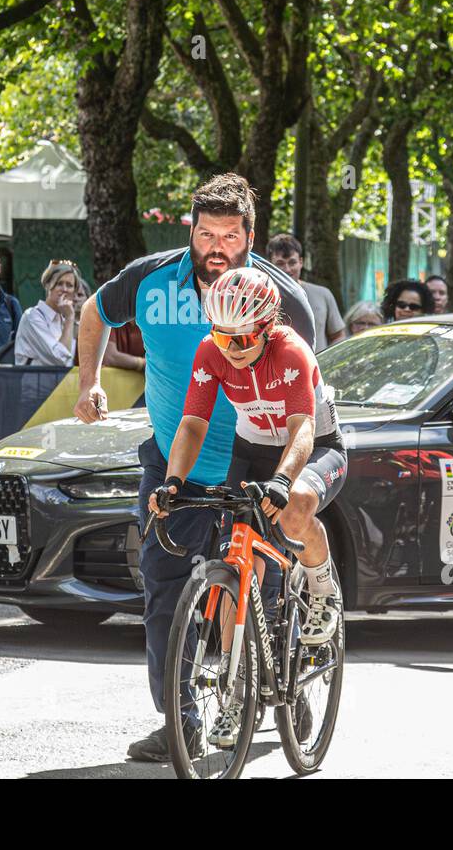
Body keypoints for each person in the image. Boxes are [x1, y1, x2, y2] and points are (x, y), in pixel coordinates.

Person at [72, 172, 313, 763]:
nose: (216, 248)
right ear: (191, 230)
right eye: (206, 234)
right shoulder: (150, 279)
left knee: (265, 586)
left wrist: (289, 470)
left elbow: (306, 393)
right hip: (173, 458)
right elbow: (94, 312)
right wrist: (89, 382)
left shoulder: (284, 299)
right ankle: (178, 721)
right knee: (165, 589)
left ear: (250, 236)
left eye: (229, 236)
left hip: (255, 461)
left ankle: (286, 687)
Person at [148, 267, 346, 748]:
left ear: (268, 325)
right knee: (238, 569)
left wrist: (282, 480)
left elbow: (302, 428)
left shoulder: (291, 351)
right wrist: (173, 482)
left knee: (296, 506)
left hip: (314, 447)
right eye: (223, 336)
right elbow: (192, 423)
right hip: (251, 450)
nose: (232, 348)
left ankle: (323, 589)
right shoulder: (211, 351)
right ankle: (239, 690)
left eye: (243, 338)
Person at [266, 233, 345, 351]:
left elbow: (338, 336)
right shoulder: (263, 300)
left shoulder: (323, 294)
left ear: (301, 262)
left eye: (292, 262)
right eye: (280, 263)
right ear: (269, 265)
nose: (287, 269)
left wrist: (330, 359)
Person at [14, 260, 79, 367]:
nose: (64, 289)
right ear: (47, 285)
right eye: (59, 283)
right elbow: (60, 359)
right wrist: (69, 318)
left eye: (69, 285)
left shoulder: (66, 321)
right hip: (34, 378)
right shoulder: (32, 316)